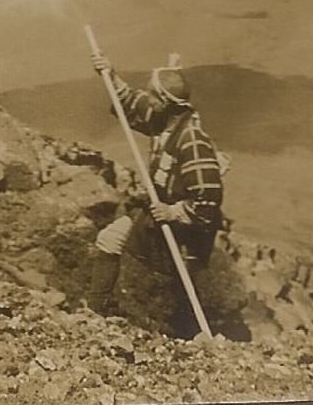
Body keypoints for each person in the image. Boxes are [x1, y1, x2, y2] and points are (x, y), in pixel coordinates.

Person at [88, 54, 224, 336]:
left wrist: (173, 212)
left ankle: (189, 335)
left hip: (186, 228)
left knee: (178, 282)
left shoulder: (192, 140)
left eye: (152, 94)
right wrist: (110, 75)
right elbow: (132, 104)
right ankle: (94, 312)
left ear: (165, 102)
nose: (146, 97)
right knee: (109, 240)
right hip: (156, 211)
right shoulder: (165, 122)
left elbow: (208, 200)